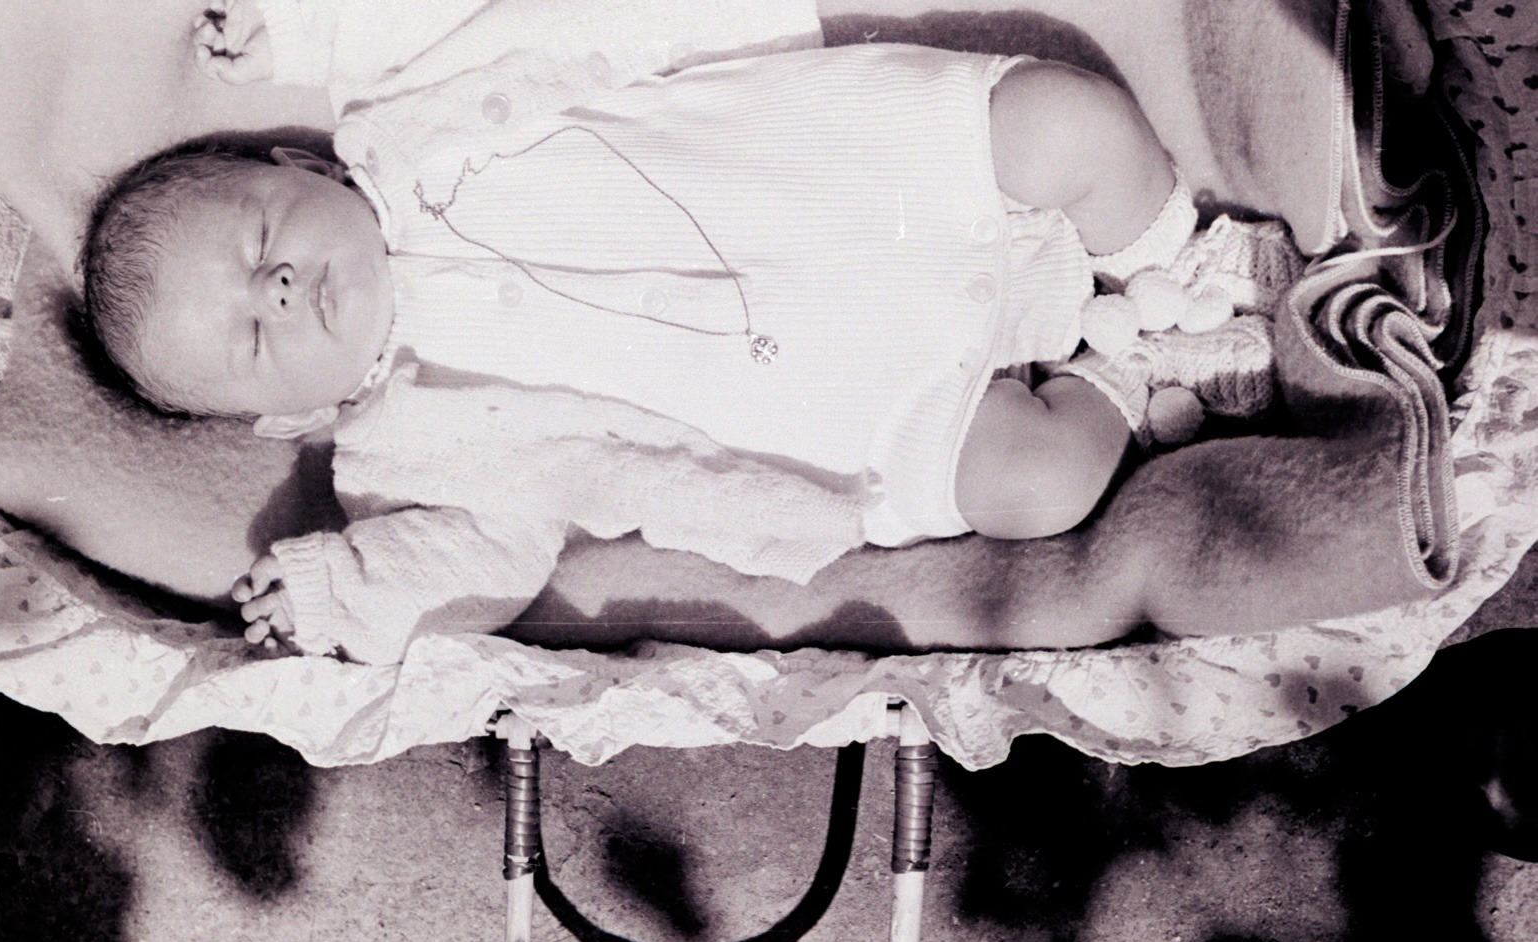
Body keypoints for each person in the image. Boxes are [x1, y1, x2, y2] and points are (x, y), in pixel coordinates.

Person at [74, 0, 1289, 664]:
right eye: (255, 335)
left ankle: (1175, 262)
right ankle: (1133, 366)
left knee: (1065, 121)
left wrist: (303, 29)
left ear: (295, 163)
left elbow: (435, 13)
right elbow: (475, 568)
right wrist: (343, 589)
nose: (283, 288)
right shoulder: (407, 452)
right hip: (855, 403)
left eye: (261, 241)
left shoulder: (401, 120)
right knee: (1039, 486)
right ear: (288, 413)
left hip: (858, 173)